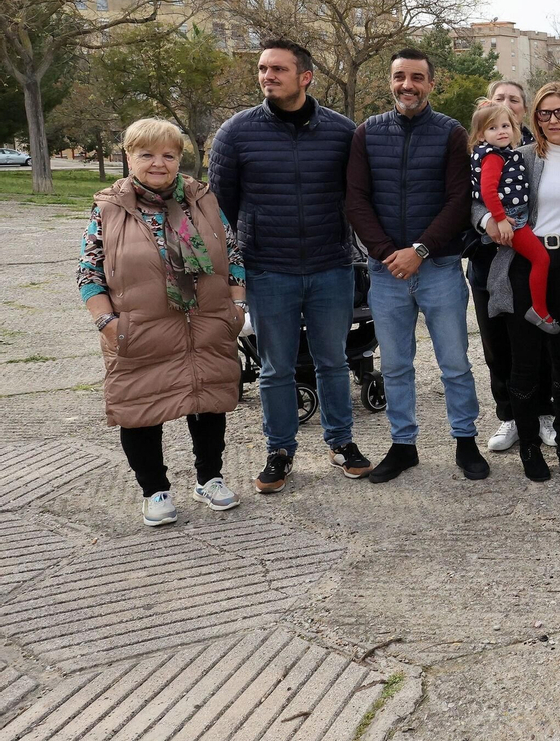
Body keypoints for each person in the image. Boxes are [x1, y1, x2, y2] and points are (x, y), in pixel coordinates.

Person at [209, 38, 369, 492]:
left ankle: (342, 443)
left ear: (305, 77)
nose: (267, 76)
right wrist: (235, 266)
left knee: (334, 361)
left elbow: (358, 197)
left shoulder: (342, 132)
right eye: (262, 69)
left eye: (278, 69)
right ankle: (279, 450)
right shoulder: (235, 133)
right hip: (268, 270)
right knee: (276, 368)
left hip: (331, 267)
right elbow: (220, 208)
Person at [78, 118, 245, 526]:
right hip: (140, 329)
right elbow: (89, 272)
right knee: (140, 408)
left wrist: (238, 308)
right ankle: (154, 490)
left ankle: (210, 478)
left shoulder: (202, 199)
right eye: (147, 154)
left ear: (179, 159)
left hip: (204, 323)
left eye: (168, 155)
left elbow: (234, 255)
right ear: (129, 157)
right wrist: (108, 324)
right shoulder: (110, 207)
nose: (158, 163)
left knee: (207, 400)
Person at [345, 48, 483, 483]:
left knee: (455, 362)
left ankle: (466, 440)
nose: (408, 85)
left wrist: (419, 250)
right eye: (400, 76)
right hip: (386, 273)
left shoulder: (450, 134)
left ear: (431, 83)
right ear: (390, 81)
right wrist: (389, 253)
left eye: (417, 77)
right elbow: (356, 199)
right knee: (397, 364)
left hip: (438, 267)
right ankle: (403, 445)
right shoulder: (367, 133)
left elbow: (458, 201)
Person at [473, 84, 560, 480]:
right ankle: (529, 444)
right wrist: (488, 222)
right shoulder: (520, 156)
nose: (553, 121)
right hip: (523, 262)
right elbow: (481, 195)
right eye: (544, 114)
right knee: (524, 357)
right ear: (535, 119)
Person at [471, 80, 546, 456]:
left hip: (526, 252)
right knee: (496, 344)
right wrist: (488, 219)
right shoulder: (480, 150)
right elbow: (471, 194)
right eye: (499, 99)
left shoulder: (534, 149)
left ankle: (542, 412)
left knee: (535, 337)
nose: (505, 106)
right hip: (489, 257)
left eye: (513, 100)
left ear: (522, 110)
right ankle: (510, 416)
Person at [470, 104, 559, 332]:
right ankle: (538, 309)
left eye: (505, 126)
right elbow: (488, 190)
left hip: (513, 217)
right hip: (510, 219)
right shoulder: (493, 157)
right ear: (481, 135)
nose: (501, 131)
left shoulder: (505, 153)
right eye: (493, 128)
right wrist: (499, 220)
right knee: (541, 259)